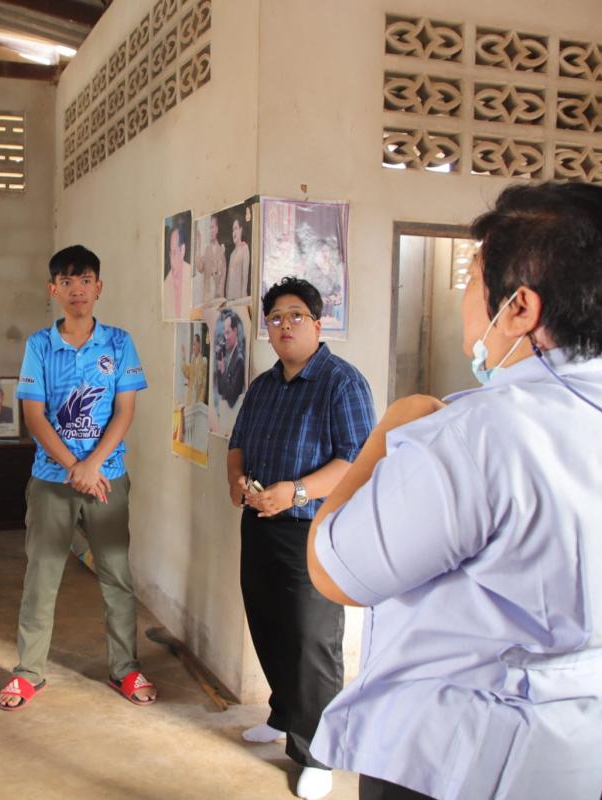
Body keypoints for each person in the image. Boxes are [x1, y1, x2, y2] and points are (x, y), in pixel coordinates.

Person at [306, 182, 602, 800]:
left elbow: (337, 573)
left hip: (470, 754)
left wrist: (388, 431)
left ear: (519, 308)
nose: (466, 294)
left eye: (472, 277)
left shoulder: (476, 436)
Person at [227, 277, 375, 800]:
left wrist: (296, 491)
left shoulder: (342, 383)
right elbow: (238, 445)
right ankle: (284, 714)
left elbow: (358, 461)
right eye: (275, 318)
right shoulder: (263, 386)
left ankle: (317, 754)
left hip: (313, 531)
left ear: (317, 323)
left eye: (295, 316)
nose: (284, 326)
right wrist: (236, 481)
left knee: (312, 640)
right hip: (260, 525)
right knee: (268, 625)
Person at [0, 244, 156, 710]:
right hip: (52, 480)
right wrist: (73, 467)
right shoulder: (39, 345)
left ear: (98, 287)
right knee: (41, 577)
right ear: (54, 290)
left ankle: (125, 669)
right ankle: (28, 672)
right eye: (66, 281)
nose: (77, 289)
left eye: (85, 280)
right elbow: (34, 416)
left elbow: (125, 411)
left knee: (116, 577)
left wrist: (91, 466)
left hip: (108, 479)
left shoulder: (119, 343)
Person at [214, 308, 246, 412]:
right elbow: (220, 390)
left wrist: (223, 372)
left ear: (235, 331)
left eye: (228, 333)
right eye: (224, 333)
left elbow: (231, 396)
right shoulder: (229, 357)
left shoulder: (239, 360)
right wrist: (221, 371)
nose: (225, 337)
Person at [162, 217, 192, 319]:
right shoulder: (166, 283)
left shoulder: (192, 277)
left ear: (182, 250)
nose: (172, 261)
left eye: (174, 253)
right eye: (171, 253)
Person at [201, 216, 227, 302]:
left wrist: (220, 294)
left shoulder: (221, 250)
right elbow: (200, 268)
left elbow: (223, 274)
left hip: (217, 297)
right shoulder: (205, 250)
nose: (210, 231)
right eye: (209, 228)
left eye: (212, 227)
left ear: (217, 229)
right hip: (207, 297)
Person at [226, 214, 251, 299]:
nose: (234, 232)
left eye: (236, 228)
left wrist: (243, 298)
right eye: (232, 230)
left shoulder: (245, 248)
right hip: (230, 300)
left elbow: (245, 276)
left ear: (241, 229)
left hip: (240, 298)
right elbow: (228, 283)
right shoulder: (232, 254)